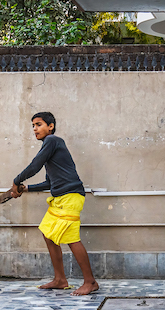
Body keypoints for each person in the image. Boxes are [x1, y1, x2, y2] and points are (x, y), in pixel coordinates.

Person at [6, 112, 99, 296]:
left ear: (51, 126)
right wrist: (25, 188)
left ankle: (90, 282)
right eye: (33, 126)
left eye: (39, 124)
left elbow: (35, 165)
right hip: (60, 198)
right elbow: (50, 183)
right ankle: (60, 280)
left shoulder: (53, 141)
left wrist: (16, 181)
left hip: (71, 197)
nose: (35, 129)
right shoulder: (51, 150)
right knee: (48, 234)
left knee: (71, 238)